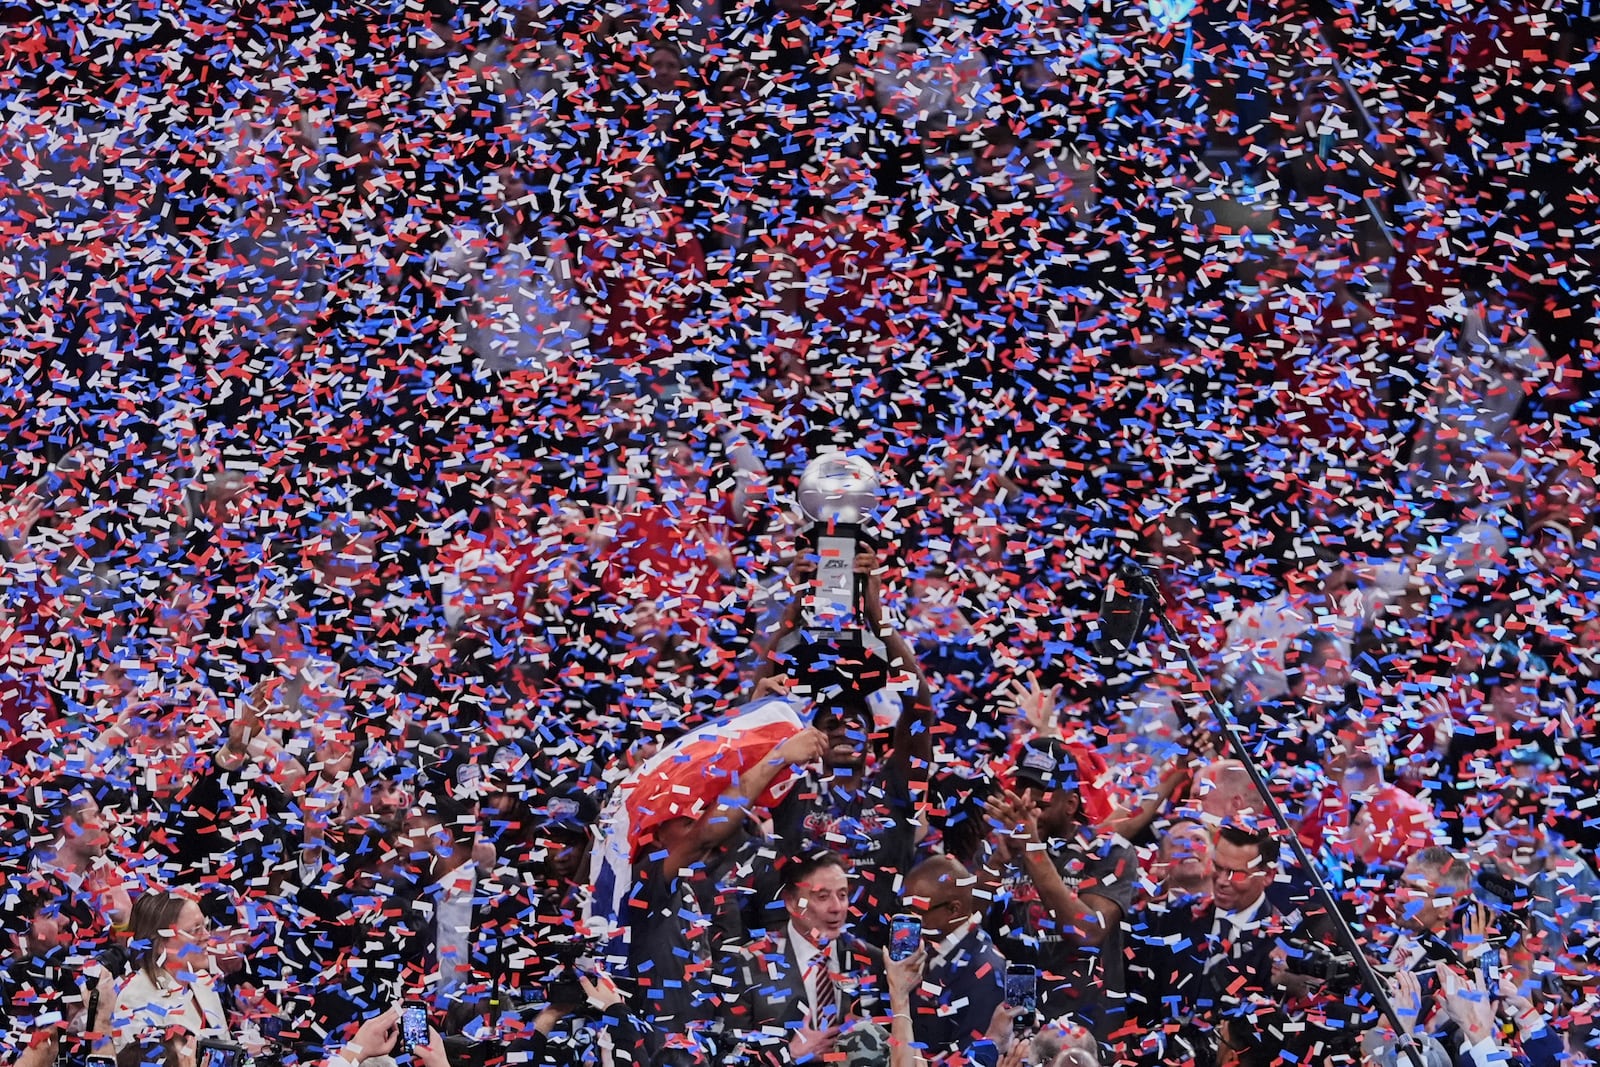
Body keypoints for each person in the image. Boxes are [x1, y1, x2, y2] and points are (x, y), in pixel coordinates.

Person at [979, 738, 1136, 1039]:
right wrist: (997, 862)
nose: (1026, 807)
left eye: (1040, 801)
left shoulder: (1108, 851)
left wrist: (1032, 849)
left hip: (1086, 1027)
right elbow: (965, 926)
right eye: (1021, 792)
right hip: (1015, 1021)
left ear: (1071, 805)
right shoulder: (998, 847)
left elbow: (1087, 930)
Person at [1123, 825, 1283, 1066]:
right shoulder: (1175, 917)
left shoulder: (1280, 945)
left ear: (1268, 875)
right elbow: (1146, 999)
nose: (1220, 881)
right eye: (1218, 867)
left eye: (1236, 874)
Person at [719, 850, 888, 1065]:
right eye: (823, 897)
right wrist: (790, 1055)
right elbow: (728, 1057)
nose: (837, 908)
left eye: (842, 895)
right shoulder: (748, 964)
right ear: (791, 902)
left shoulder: (870, 959)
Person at [900, 854, 1006, 1058]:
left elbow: (973, 1057)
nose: (909, 918)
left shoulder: (985, 972)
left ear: (953, 909)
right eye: (906, 908)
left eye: (917, 910)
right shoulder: (923, 947)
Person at [112, 891, 233, 1058]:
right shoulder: (134, 998)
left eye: (205, 926)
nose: (207, 936)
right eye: (195, 929)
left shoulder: (203, 981)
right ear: (162, 944)